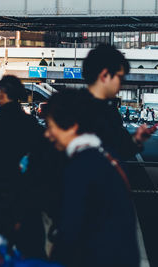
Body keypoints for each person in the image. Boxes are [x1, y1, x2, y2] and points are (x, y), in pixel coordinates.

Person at [45, 90, 139, 267]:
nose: (47, 134)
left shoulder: (80, 167)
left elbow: (70, 233)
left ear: (72, 125)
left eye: (50, 127)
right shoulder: (107, 156)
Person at [0, 75, 48, 259]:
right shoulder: (30, 123)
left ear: (2, 94)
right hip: (27, 197)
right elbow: (43, 157)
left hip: (0, 196)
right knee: (32, 250)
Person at [82, 44, 156, 161]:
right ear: (104, 75)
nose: (121, 84)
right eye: (120, 78)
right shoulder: (83, 110)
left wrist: (136, 139)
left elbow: (119, 148)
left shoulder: (106, 108)